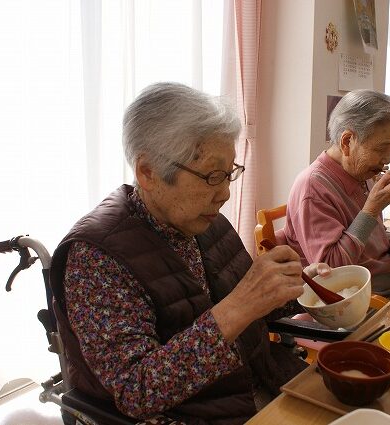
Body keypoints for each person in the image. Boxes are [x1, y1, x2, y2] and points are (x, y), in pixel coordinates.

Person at [50, 82, 328, 425]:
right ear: (148, 172)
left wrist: (296, 289)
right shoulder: (96, 258)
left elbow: (250, 310)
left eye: (229, 174)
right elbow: (137, 391)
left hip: (263, 384)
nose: (225, 193)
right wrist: (238, 307)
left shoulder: (203, 221)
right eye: (211, 176)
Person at [284, 89, 390, 298]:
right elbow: (331, 272)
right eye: (381, 149)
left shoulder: (361, 172)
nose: (387, 159)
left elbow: (364, 238)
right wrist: (371, 210)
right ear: (347, 141)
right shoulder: (313, 188)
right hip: (360, 302)